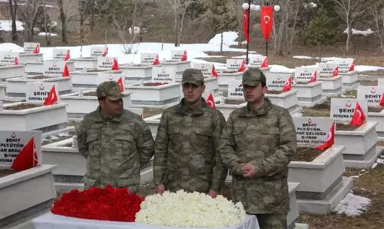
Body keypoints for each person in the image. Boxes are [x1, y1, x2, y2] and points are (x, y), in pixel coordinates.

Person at [219, 68, 297, 229]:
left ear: (264, 88)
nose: (248, 90)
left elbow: (288, 148)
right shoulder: (236, 117)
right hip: (243, 198)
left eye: (253, 86)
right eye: (245, 87)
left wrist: (259, 168)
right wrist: (238, 166)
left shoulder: (279, 116)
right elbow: (225, 146)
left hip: (271, 200)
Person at [153, 69, 227, 198]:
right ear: (182, 88)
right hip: (173, 188)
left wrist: (215, 187)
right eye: (186, 86)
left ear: (203, 88)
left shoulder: (214, 117)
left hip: (203, 189)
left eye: (194, 86)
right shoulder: (169, 115)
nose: (190, 90)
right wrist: (158, 182)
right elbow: (160, 149)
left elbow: (221, 155)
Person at [77, 81, 155, 192]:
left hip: (125, 187)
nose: (119, 103)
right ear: (101, 102)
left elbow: (148, 148)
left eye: (120, 99)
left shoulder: (134, 122)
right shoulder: (88, 122)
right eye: (113, 101)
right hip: (95, 187)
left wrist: (130, 166)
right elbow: (83, 147)